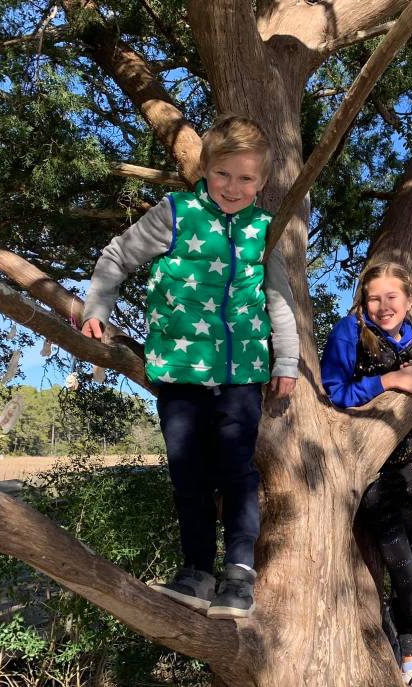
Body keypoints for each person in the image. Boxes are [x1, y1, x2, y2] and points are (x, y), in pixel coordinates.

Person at [81, 115, 299, 619]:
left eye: (246, 178)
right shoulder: (176, 213)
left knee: (238, 472)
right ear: (205, 169)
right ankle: (197, 571)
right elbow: (117, 257)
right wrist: (97, 309)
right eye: (223, 173)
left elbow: (279, 300)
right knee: (189, 474)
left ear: (262, 181)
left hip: (241, 374)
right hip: (179, 371)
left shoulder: (264, 229)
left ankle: (239, 574)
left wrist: (286, 360)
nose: (233, 187)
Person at [320, 262, 412, 687]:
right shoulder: (350, 333)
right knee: (395, 551)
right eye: (373, 297)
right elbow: (334, 391)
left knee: (404, 557)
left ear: (409, 300)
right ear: (363, 301)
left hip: (409, 463)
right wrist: (388, 380)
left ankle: (411, 663)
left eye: (391, 296)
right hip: (368, 465)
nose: (382, 306)